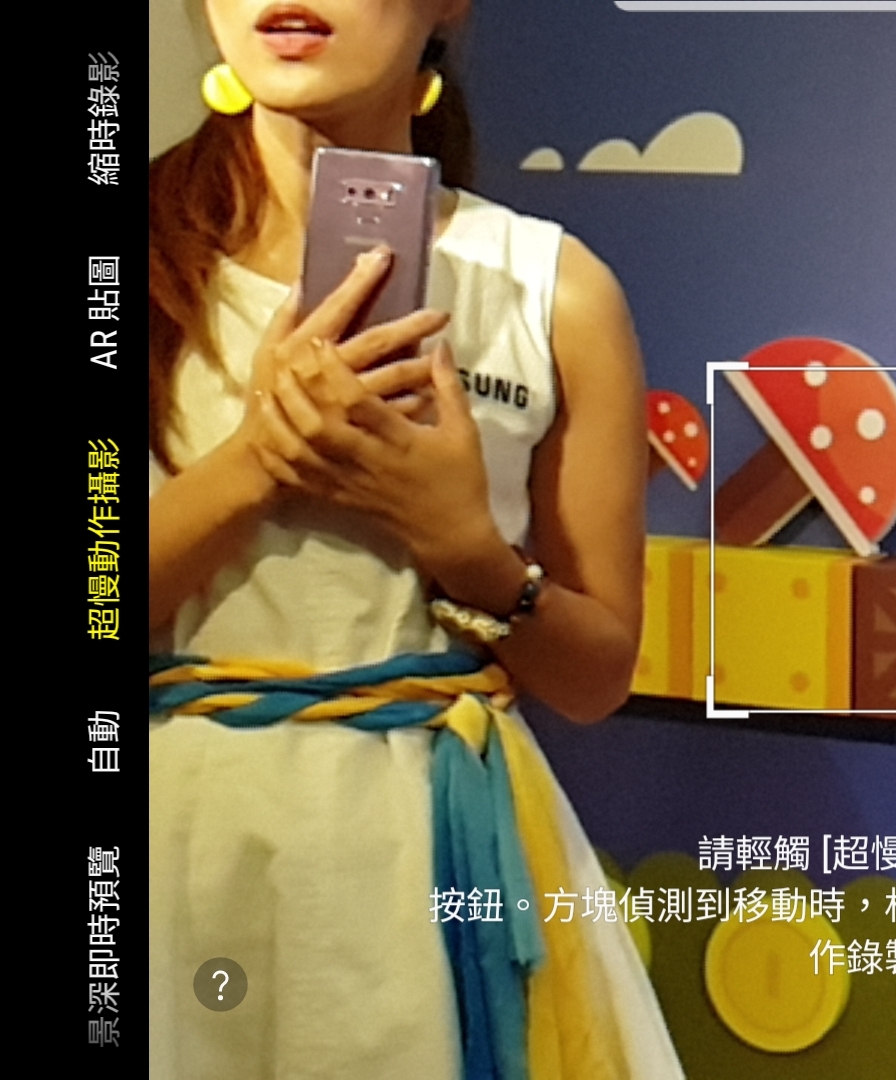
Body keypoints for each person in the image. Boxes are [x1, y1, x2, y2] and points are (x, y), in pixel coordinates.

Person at [147, 2, 682, 1076]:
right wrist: (259, 458)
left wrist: (466, 548)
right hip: (174, 856)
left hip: (436, 856)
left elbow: (595, 676)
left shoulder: (554, 291)